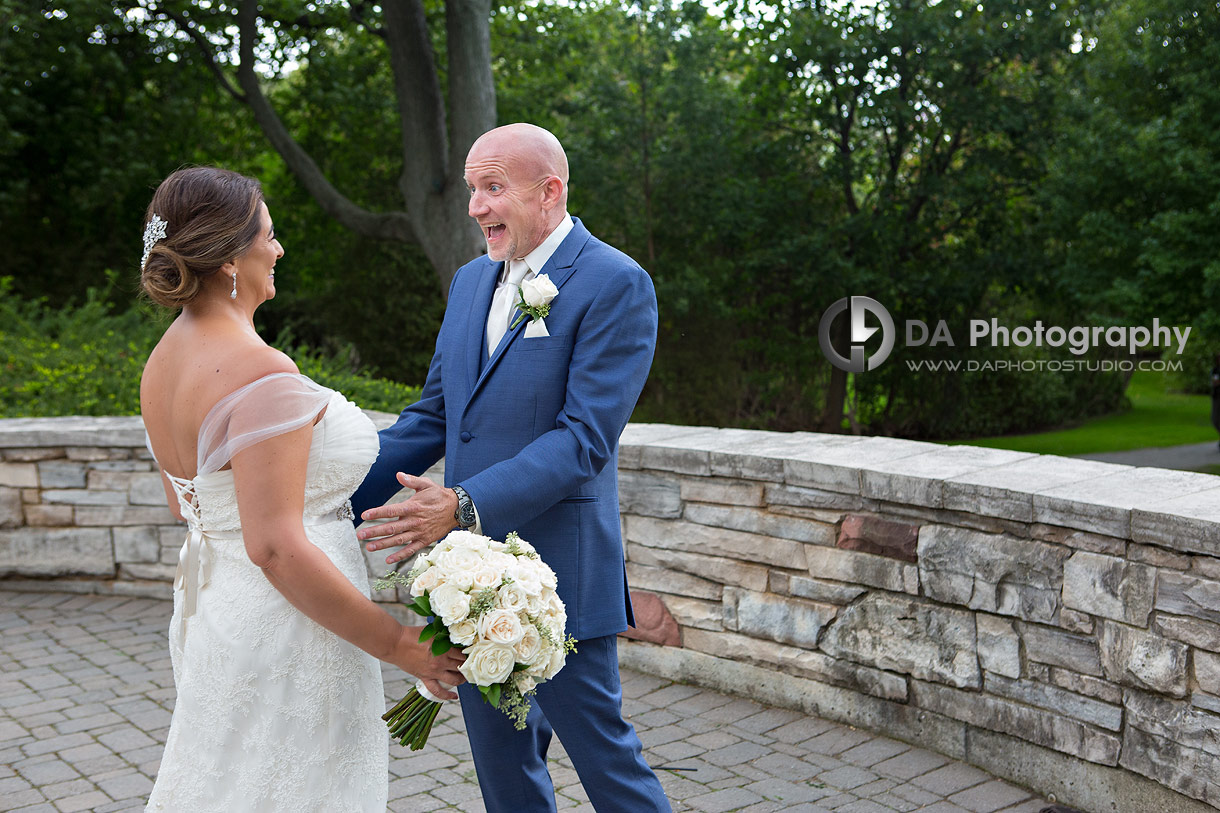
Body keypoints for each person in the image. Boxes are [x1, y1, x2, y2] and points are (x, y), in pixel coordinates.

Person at [351, 123, 672, 812]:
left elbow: (584, 438)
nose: (475, 206)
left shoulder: (617, 283)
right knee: (504, 777)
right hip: (472, 585)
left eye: (492, 187)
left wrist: (462, 502)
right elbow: (434, 415)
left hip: (561, 583)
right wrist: (332, 491)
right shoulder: (470, 283)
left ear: (549, 192)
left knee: (607, 765)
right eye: (472, 188)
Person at [138, 167, 465, 812]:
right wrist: (401, 645)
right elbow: (276, 548)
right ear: (232, 256)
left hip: (218, 611)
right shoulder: (260, 370)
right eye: (269, 233)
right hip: (292, 625)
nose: (278, 248)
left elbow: (190, 505)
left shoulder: (164, 360)